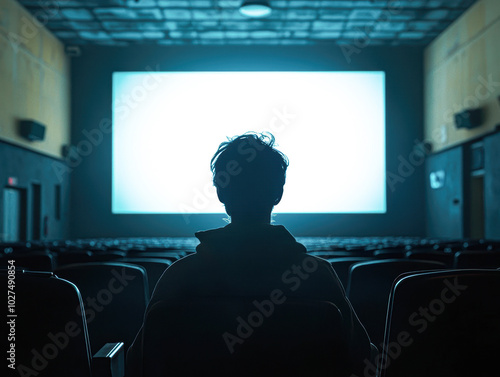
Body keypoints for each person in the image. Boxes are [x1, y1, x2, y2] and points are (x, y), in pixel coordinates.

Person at [126, 132, 373, 376]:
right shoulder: (317, 275)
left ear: (221, 192)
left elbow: (138, 363)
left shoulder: (178, 277)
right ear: (278, 193)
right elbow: (361, 357)